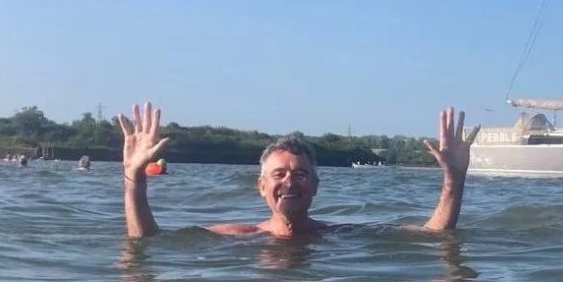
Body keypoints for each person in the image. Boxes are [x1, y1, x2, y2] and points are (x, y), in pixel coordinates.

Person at [118, 102, 480, 238]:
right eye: (279, 174)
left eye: (300, 174)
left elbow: (434, 233)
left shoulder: (340, 235)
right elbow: (148, 241)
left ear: (316, 186)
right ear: (261, 187)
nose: (290, 180)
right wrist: (134, 179)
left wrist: (454, 179)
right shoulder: (240, 235)